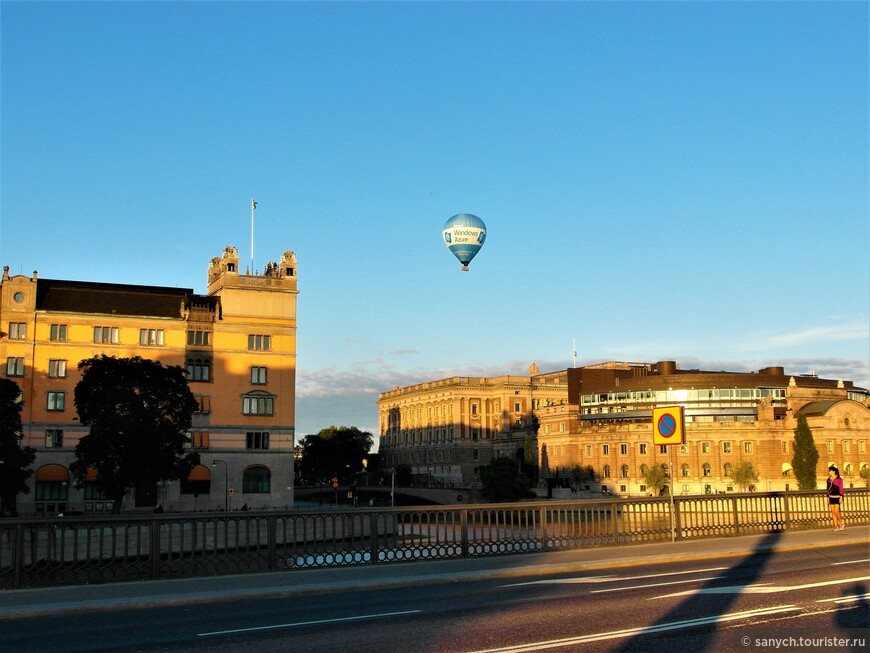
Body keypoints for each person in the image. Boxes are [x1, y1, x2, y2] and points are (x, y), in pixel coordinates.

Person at [826, 465, 845, 531]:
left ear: (834, 471)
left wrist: (841, 497)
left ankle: (841, 522)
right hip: (831, 497)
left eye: (830, 471)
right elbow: (827, 489)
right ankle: (836, 526)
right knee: (833, 512)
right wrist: (827, 498)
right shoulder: (828, 480)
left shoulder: (839, 479)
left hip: (837, 496)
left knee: (836, 511)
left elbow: (841, 489)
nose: (829, 472)